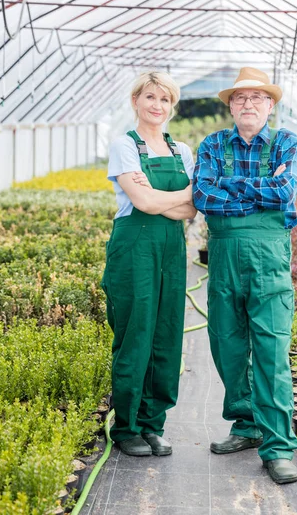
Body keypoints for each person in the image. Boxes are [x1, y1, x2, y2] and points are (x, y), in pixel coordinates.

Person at [193, 67, 297, 484]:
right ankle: (246, 426)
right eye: (240, 98)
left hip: (269, 257)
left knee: (271, 351)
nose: (248, 104)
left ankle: (278, 447)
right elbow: (204, 196)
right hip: (223, 257)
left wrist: (231, 187)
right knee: (227, 344)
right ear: (231, 106)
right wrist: (256, 189)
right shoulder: (213, 143)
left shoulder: (286, 142)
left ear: (270, 105)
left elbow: (284, 192)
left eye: (257, 98)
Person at [101, 71, 196, 457]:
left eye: (165, 100)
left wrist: (165, 196)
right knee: (136, 334)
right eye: (151, 98)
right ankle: (125, 427)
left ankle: (153, 424)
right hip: (134, 249)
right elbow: (144, 205)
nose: (158, 106)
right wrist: (182, 193)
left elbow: (190, 210)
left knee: (166, 335)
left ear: (171, 107)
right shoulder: (124, 145)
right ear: (136, 101)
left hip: (172, 250)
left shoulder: (182, 150)